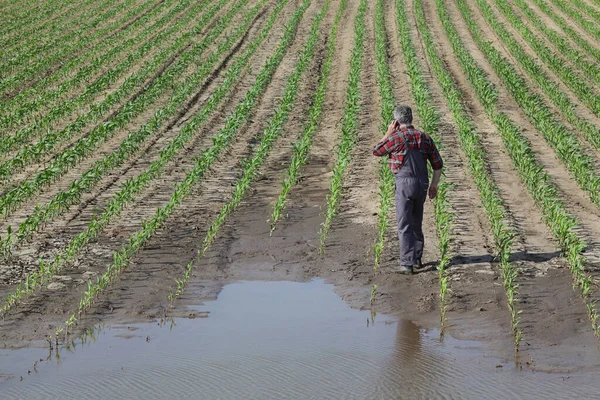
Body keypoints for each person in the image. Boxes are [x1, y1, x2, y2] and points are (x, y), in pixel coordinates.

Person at [373, 105, 443, 274]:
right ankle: (417, 258)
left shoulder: (395, 138)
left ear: (396, 122)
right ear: (411, 118)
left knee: (404, 224)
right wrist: (434, 184)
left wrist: (388, 133)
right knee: (416, 222)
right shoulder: (424, 137)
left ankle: (406, 263)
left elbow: (377, 150)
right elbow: (438, 164)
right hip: (422, 184)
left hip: (404, 185)